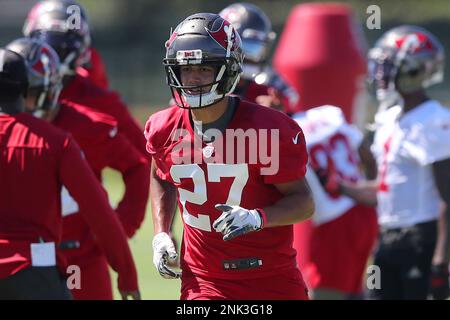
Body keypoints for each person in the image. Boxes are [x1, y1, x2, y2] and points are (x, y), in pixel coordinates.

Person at [146, 13, 314, 300]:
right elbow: (161, 176)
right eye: (185, 69)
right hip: (203, 280)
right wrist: (162, 232)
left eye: (204, 69)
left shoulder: (268, 129)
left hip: (271, 278)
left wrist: (258, 218)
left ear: (229, 70)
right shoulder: (164, 128)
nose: (193, 79)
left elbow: (304, 203)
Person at [7, 37, 149, 300]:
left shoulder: (85, 127)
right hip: (32, 261)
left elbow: (137, 165)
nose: (25, 104)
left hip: (78, 255)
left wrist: (124, 224)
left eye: (31, 94)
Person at [340, 25, 450, 300]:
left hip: (421, 241)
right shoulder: (389, 118)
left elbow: (447, 197)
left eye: (388, 67)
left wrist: (441, 258)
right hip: (388, 239)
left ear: (414, 70)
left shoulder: (433, 120)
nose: (380, 74)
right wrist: (336, 184)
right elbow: (383, 190)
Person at [24, 3, 149, 159]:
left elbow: (144, 156)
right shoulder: (15, 84)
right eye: (50, 46)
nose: (53, 59)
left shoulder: (96, 96)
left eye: (63, 49)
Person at [291, 105, 378, 299]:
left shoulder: (282, 129)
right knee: (356, 289)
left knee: (326, 292)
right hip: (365, 210)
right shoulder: (329, 113)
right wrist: (370, 190)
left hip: (334, 222)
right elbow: (369, 157)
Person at [219, 3, 299, 114]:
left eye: (256, 47)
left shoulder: (269, 86)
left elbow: (292, 112)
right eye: (248, 46)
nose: (251, 58)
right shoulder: (203, 79)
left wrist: (278, 115)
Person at [23, 0, 110, 89]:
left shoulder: (93, 94)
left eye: (63, 50)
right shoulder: (19, 82)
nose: (55, 59)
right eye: (52, 47)